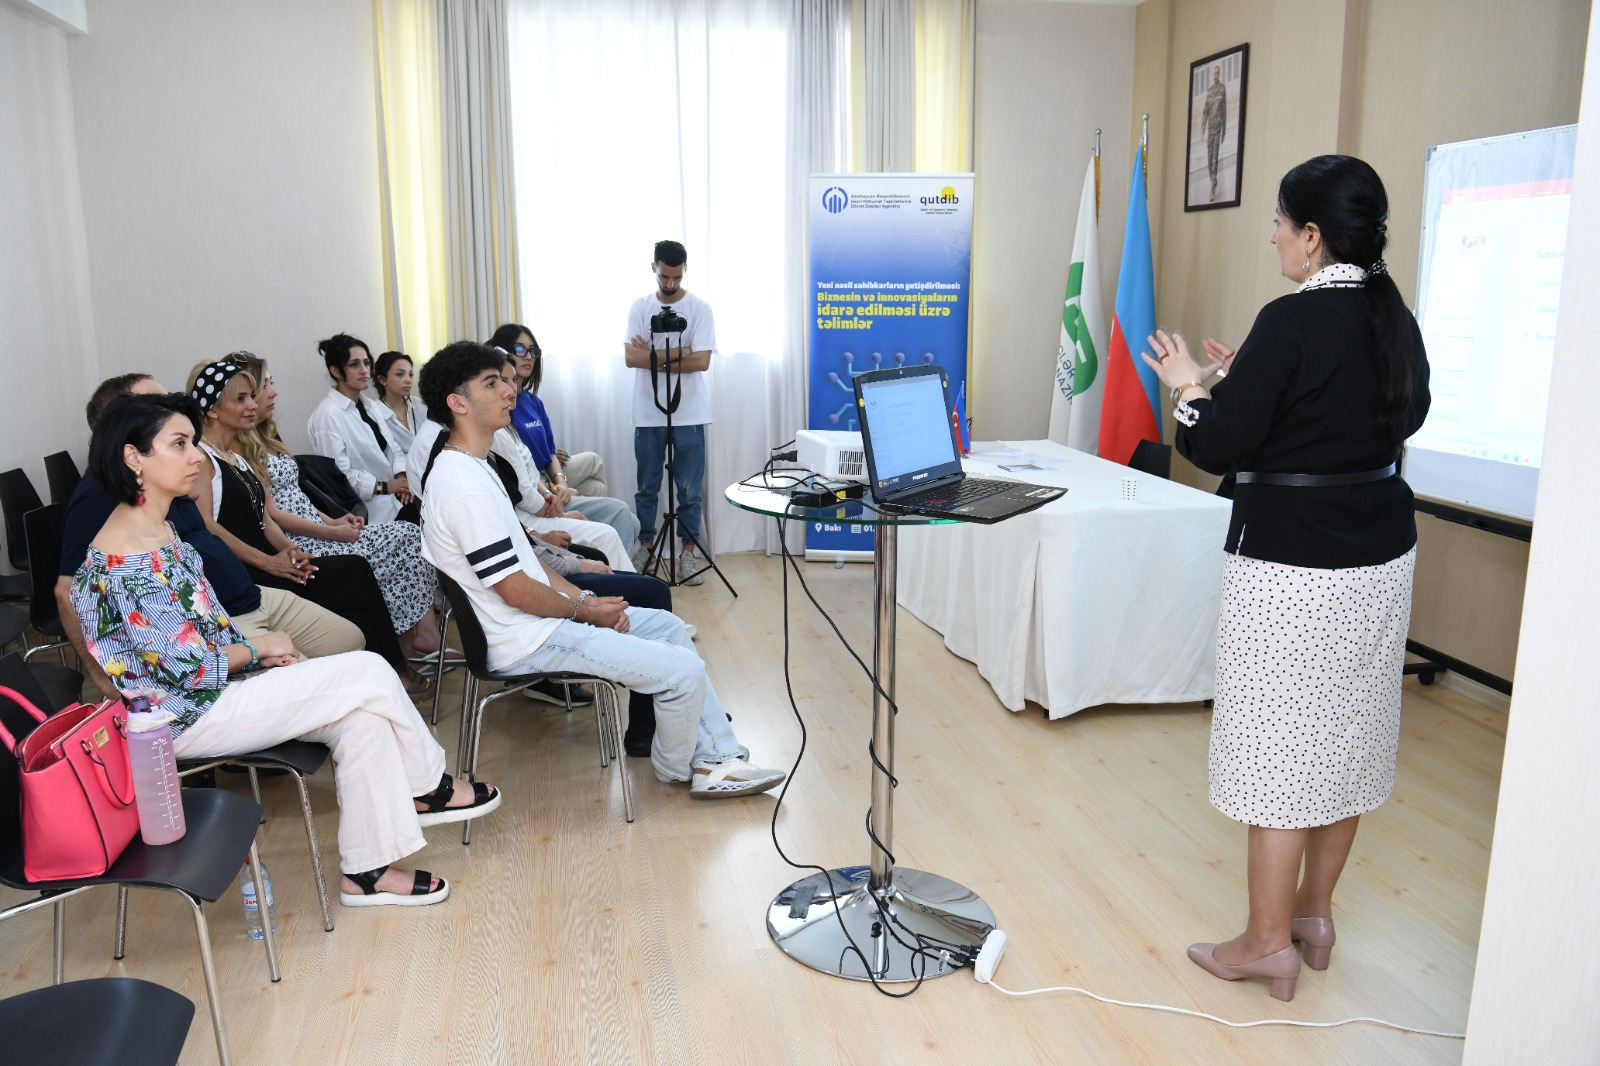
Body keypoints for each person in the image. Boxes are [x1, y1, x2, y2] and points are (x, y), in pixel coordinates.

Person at [1140, 155, 1431, 1002]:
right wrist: (1252, 382)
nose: (1271, 235)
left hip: (1293, 568)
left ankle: (1265, 944)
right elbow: (1396, 414)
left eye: (1279, 222)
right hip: (1380, 556)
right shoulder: (1391, 316)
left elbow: (1217, 445)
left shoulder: (1293, 321)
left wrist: (1192, 384)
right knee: (1347, 740)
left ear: (1312, 237)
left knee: (1279, 751)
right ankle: (1312, 918)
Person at [70, 392, 501, 907]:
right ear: (133, 457)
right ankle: (428, 784)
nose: (195, 456)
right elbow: (185, 671)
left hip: (218, 690)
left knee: (361, 717)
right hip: (181, 718)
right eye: (179, 444)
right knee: (366, 671)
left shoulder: (159, 527)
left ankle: (366, 872)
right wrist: (257, 651)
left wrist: (262, 653)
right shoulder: (124, 559)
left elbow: (202, 628)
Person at [416, 341, 784, 797]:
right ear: (458, 403)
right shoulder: (461, 483)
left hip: (535, 623)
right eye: (492, 383)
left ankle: (716, 758)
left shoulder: (478, 465)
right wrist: (587, 613)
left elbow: (527, 562)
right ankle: (684, 769)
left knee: (668, 628)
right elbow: (513, 589)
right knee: (681, 672)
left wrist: (585, 599)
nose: (509, 391)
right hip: (524, 639)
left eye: (506, 380)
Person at [56, 373, 363, 700]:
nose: (195, 453)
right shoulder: (101, 500)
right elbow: (68, 592)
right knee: (339, 691)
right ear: (123, 430)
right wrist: (107, 682)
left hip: (240, 600)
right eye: (153, 407)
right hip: (220, 632)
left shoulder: (165, 490)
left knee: (352, 645)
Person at [186, 358, 430, 695]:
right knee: (352, 572)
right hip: (243, 573)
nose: (251, 406)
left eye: (250, 397)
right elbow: (208, 529)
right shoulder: (202, 460)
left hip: (269, 562)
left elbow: (264, 518)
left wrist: (290, 551)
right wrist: (270, 561)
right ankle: (388, 668)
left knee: (354, 572)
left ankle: (387, 666)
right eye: (240, 399)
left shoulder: (235, 457)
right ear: (213, 410)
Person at [229, 351, 457, 666]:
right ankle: (404, 648)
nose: (273, 392)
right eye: (265, 385)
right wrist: (332, 530)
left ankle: (414, 637)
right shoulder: (241, 446)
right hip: (306, 540)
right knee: (406, 538)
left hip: (320, 527)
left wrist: (334, 519)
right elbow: (275, 515)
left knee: (411, 535)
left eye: (271, 383)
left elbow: (298, 497)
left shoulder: (267, 435)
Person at [491, 322, 639, 552]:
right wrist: (552, 490)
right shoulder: (500, 411)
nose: (528, 356)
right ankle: (614, 554)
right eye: (520, 349)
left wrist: (561, 483)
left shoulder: (533, 401)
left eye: (533, 351)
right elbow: (519, 475)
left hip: (544, 476)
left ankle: (607, 547)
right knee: (625, 516)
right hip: (535, 484)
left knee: (594, 465)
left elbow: (550, 450)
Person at [623, 240, 714, 584]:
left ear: (684, 271)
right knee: (647, 485)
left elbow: (702, 362)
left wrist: (655, 357)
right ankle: (646, 546)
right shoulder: (640, 307)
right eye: (665, 276)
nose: (670, 283)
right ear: (654, 269)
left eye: (676, 277)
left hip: (689, 414)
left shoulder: (700, 309)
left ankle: (687, 555)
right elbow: (631, 358)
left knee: (689, 488)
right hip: (647, 413)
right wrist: (682, 351)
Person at [307, 333, 413, 523]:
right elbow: (340, 477)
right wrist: (386, 487)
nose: (364, 370)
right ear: (336, 371)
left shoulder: (369, 405)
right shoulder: (328, 415)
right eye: (354, 365)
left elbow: (393, 448)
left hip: (395, 496)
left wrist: (401, 478)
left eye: (366, 363)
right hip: (366, 512)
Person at [373, 350, 426, 457]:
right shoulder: (375, 413)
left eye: (410, 374)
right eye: (400, 374)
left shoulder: (420, 404)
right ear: (382, 380)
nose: (408, 380)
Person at [1202, 65, 1227, 201]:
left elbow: (1224, 111)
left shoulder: (1222, 89)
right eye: (1214, 74)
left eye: (1218, 73)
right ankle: (1212, 177)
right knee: (1209, 159)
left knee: (1215, 158)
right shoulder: (1210, 92)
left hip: (1217, 129)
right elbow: (1205, 111)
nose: (1216, 76)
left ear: (1220, 74)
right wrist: (1202, 128)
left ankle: (1213, 186)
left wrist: (1224, 130)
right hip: (1210, 131)